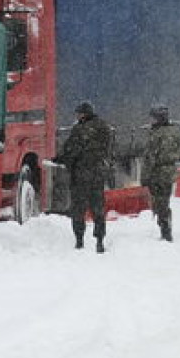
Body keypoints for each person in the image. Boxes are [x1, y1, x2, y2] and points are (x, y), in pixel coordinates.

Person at [56, 101, 115, 253]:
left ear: (84, 114)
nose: (77, 116)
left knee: (78, 209)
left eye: (79, 113)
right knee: (98, 209)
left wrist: (62, 160)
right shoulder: (104, 127)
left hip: (81, 175)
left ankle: (79, 240)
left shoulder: (80, 129)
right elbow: (109, 150)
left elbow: (71, 151)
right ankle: (100, 240)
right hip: (97, 174)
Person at [143, 104, 180, 242]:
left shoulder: (157, 134)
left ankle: (165, 231)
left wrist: (145, 176)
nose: (151, 121)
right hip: (169, 171)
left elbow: (151, 156)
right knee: (164, 201)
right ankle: (166, 228)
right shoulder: (174, 131)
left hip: (158, 172)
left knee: (159, 202)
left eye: (153, 118)